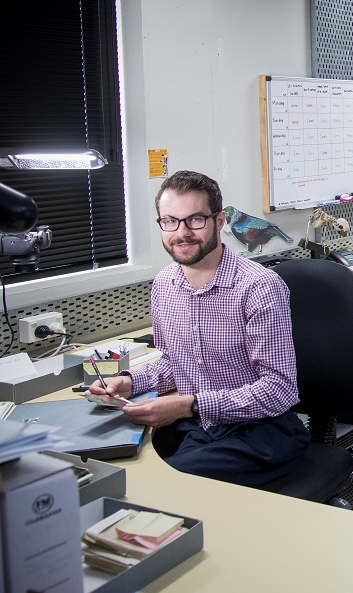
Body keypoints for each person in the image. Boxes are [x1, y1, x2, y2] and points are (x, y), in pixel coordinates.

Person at [88, 170, 308, 487]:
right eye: (170, 221)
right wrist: (128, 382)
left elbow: (279, 391)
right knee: (119, 467)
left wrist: (189, 404)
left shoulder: (258, 287)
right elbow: (173, 362)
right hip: (199, 425)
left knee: (161, 486)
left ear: (219, 221)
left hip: (261, 431)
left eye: (195, 220)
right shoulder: (165, 284)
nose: (182, 233)